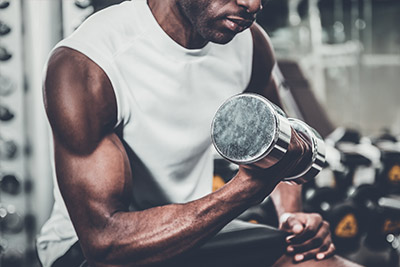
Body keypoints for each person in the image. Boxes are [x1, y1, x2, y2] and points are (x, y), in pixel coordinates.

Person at [36, 0, 362, 266]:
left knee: (316, 261)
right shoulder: (88, 66)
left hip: (198, 232)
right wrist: (246, 189)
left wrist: (291, 216)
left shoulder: (248, 44)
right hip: (89, 250)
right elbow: (104, 242)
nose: (253, 5)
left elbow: (278, 146)